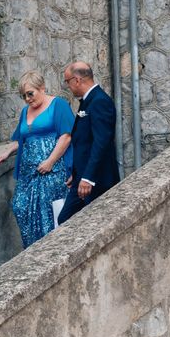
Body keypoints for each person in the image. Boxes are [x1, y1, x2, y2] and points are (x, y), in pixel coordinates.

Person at [0, 70, 74, 248]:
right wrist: (8, 151)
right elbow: (22, 139)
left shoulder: (58, 105)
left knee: (47, 213)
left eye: (30, 93)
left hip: (51, 172)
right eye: (24, 96)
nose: (28, 99)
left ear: (42, 88)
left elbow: (66, 136)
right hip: (28, 173)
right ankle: (32, 249)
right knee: (20, 206)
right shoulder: (25, 112)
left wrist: (50, 161)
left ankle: (49, 251)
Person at [57, 61, 120, 224]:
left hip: (96, 180)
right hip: (82, 177)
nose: (68, 87)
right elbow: (84, 141)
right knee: (65, 219)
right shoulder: (88, 100)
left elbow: (101, 142)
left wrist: (88, 178)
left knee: (95, 223)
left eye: (67, 81)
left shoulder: (99, 101)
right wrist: (77, 173)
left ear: (77, 80)